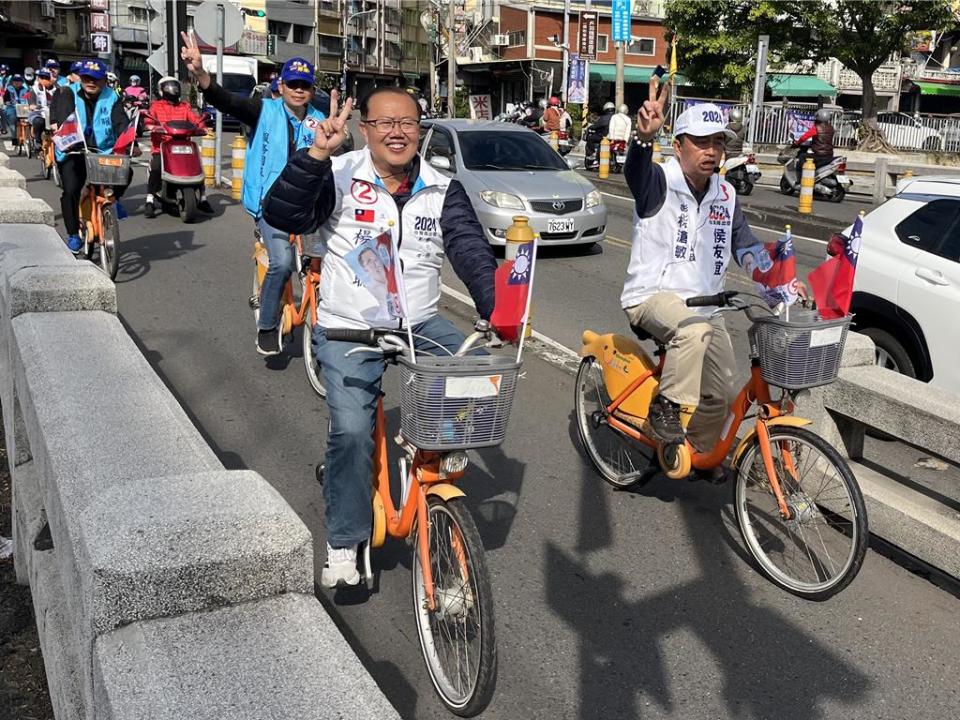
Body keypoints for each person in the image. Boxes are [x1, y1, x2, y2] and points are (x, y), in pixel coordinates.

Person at [261, 87, 498, 587]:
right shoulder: (339, 174)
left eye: (407, 122)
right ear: (364, 128)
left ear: (421, 130)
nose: (397, 131)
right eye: (384, 122)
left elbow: (469, 247)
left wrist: (494, 307)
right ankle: (344, 541)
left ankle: (434, 498)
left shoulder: (442, 186)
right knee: (350, 431)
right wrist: (316, 155)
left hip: (420, 322)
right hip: (349, 326)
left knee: (472, 388)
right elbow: (283, 215)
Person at [620, 78, 770, 472]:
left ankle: (692, 456)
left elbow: (746, 245)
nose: (712, 151)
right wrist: (641, 137)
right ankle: (665, 408)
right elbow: (634, 171)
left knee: (721, 395)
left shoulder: (725, 193)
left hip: (706, 308)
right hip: (653, 297)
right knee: (692, 333)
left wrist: (775, 280)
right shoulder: (658, 181)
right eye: (701, 142)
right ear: (678, 146)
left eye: (718, 142)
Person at [180, 31, 328, 356]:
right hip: (272, 207)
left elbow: (340, 156)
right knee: (283, 263)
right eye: (293, 84)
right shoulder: (264, 111)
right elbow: (226, 100)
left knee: (328, 266)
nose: (299, 90)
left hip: (309, 208)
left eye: (305, 85)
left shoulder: (321, 122)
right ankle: (267, 326)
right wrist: (202, 75)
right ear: (281, 86)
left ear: (312, 89)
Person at [50, 59, 132, 254]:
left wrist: (130, 142)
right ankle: (72, 234)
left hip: (103, 150)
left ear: (103, 80)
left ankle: (113, 200)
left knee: (125, 171)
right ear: (81, 77)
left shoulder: (112, 96)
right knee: (70, 190)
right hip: (74, 149)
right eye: (86, 78)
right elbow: (62, 116)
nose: (91, 83)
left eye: (96, 79)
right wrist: (60, 129)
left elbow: (121, 121)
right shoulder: (68, 92)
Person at [143, 76, 212, 218]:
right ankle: (149, 199)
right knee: (156, 167)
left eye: (175, 87)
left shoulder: (184, 106)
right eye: (169, 87)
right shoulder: (156, 106)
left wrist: (202, 127)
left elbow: (195, 120)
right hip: (162, 146)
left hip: (183, 144)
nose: (173, 90)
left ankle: (203, 197)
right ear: (161, 90)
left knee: (197, 165)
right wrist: (151, 126)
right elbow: (149, 119)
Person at [791, 108, 834, 182]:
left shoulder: (816, 128)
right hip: (829, 155)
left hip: (819, 155)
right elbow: (824, 140)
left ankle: (801, 179)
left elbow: (804, 137)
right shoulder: (831, 128)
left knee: (802, 157)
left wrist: (796, 143)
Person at [27, 69, 56, 147]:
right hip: (38, 114)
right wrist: (34, 106)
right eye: (42, 77)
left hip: (52, 114)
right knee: (38, 121)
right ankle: (38, 140)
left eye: (46, 78)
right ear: (38, 78)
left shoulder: (56, 89)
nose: (44, 80)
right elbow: (31, 104)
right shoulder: (34, 89)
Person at [2, 75, 31, 147]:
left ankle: (29, 138)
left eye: (19, 81)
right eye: (15, 81)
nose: (17, 82)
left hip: (23, 107)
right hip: (12, 107)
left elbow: (29, 99)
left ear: (22, 82)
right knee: (12, 118)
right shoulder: (9, 89)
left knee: (29, 119)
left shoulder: (25, 90)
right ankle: (14, 137)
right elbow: (5, 99)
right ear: (12, 82)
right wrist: (7, 102)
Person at [584, 101, 616, 165]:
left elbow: (596, 126)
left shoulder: (604, 118)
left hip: (604, 137)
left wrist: (590, 128)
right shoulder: (616, 117)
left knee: (590, 138)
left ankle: (591, 154)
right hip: (616, 137)